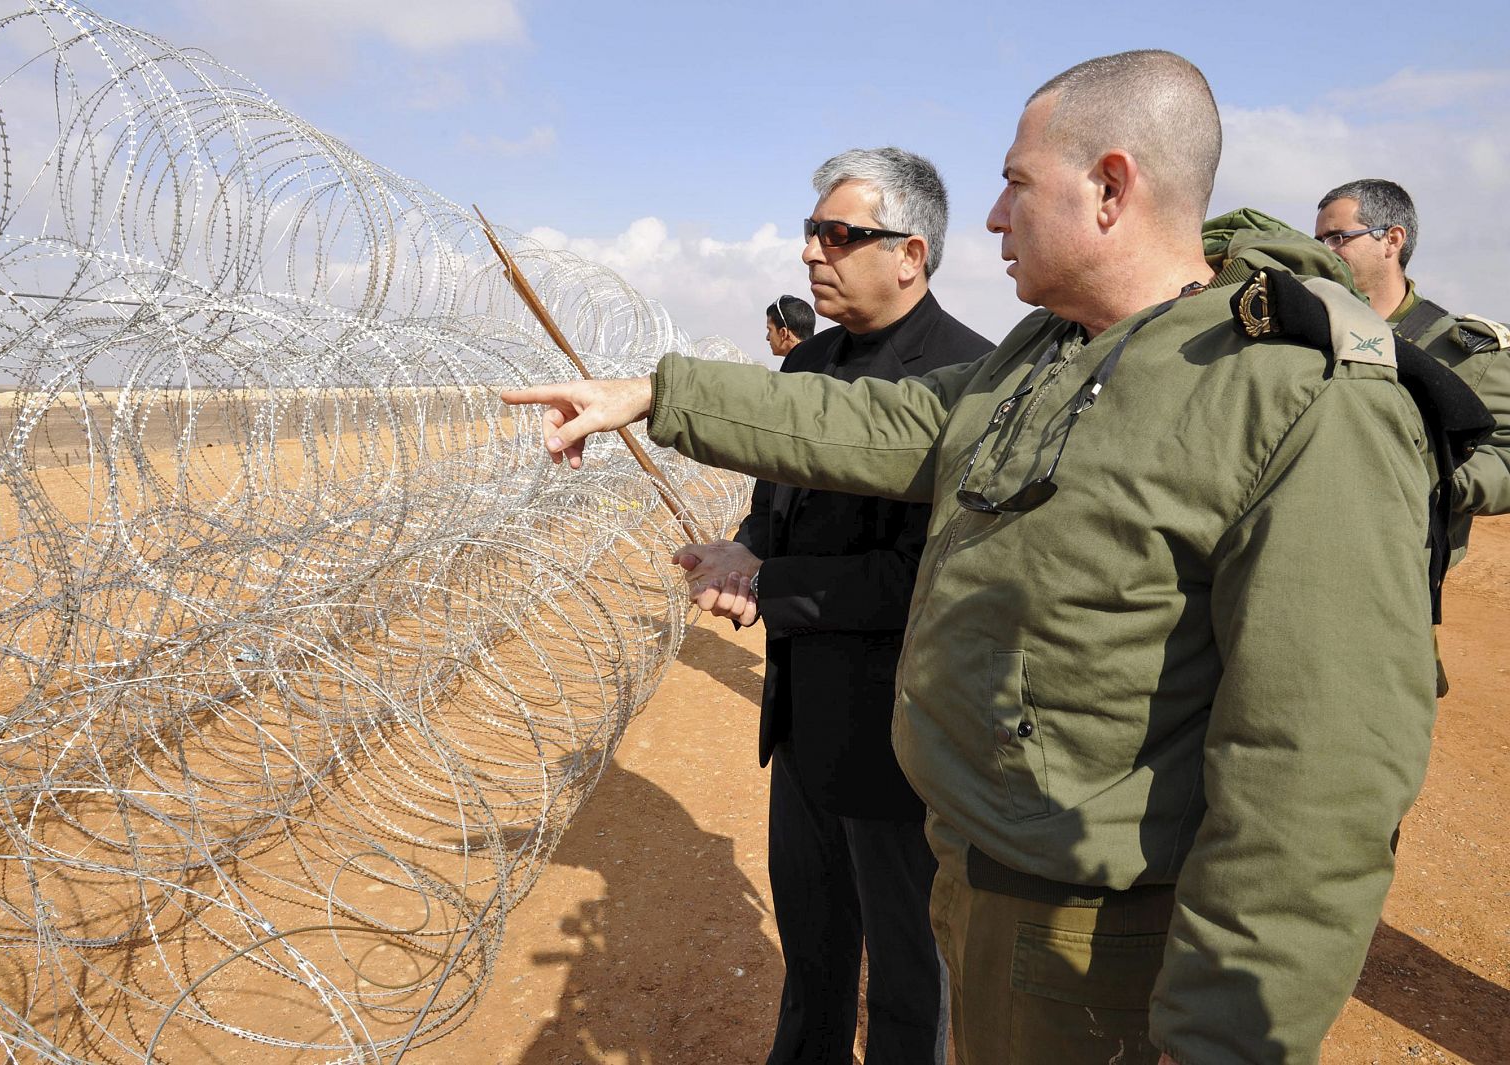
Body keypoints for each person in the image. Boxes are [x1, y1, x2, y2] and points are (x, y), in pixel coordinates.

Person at [505, 51, 1439, 1065]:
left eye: (1015, 182)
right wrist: (656, 394)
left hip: (1102, 942)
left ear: (1110, 188)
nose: (992, 217)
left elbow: (1319, 767)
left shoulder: (1300, 398)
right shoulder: (1050, 354)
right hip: (980, 871)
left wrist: (1225, 1036)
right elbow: (885, 419)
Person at [678, 147, 993, 1065]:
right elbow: (781, 502)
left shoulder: (968, 376)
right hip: (806, 723)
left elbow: (918, 576)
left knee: (908, 977)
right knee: (813, 957)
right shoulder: (808, 361)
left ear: (911, 252)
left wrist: (769, 590)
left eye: (840, 234)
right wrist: (747, 547)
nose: (814, 251)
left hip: (902, 742)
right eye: (811, 232)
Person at [1313, 178, 1510, 569]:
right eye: (1318, 240)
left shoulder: (1465, 352)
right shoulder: (1315, 330)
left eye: (1337, 238)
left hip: (1398, 581)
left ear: (1392, 239)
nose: (1325, 252)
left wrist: (1425, 475)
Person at [765, 293, 815, 359]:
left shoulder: (795, 365)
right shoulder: (821, 359)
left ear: (783, 333)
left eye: (770, 330)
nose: (767, 338)